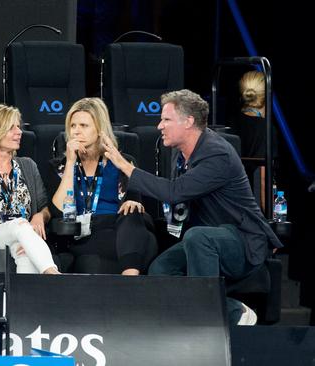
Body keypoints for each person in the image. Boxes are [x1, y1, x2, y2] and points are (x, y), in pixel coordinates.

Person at [102, 89, 283, 325]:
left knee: (198, 237)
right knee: (161, 270)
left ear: (188, 122)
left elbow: (174, 192)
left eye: (166, 119)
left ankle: (207, 322)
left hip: (243, 242)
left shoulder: (216, 154)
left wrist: (124, 165)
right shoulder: (182, 155)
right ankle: (233, 312)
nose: (159, 126)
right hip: (207, 238)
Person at [50, 98, 156, 275]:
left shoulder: (124, 163)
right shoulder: (60, 167)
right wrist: (70, 162)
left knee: (132, 215)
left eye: (84, 126)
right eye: (73, 126)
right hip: (81, 236)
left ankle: (129, 278)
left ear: (99, 129)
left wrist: (132, 204)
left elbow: (134, 203)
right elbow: (59, 212)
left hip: (119, 232)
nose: (76, 131)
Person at [0, 104, 59, 274]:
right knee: (19, 224)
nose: (19, 132)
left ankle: (23, 300)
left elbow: (45, 207)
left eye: (18, 127)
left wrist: (40, 215)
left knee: (24, 252)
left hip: (23, 237)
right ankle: (53, 274)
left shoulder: (28, 165)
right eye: (11, 128)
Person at [230, 70, 277, 210]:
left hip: (230, 205)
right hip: (253, 209)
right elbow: (263, 179)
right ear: (267, 96)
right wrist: (269, 220)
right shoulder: (266, 130)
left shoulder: (230, 123)